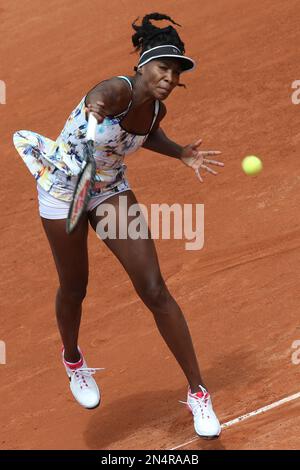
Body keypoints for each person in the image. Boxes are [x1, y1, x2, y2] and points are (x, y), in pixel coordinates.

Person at [13, 13, 224, 439]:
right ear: (143, 65)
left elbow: (147, 136)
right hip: (64, 191)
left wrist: (181, 151)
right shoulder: (117, 90)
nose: (169, 77)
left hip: (108, 189)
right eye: (163, 68)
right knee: (75, 287)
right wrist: (93, 112)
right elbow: (99, 98)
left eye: (176, 72)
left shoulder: (155, 109)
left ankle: (198, 392)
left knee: (154, 288)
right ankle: (72, 359)